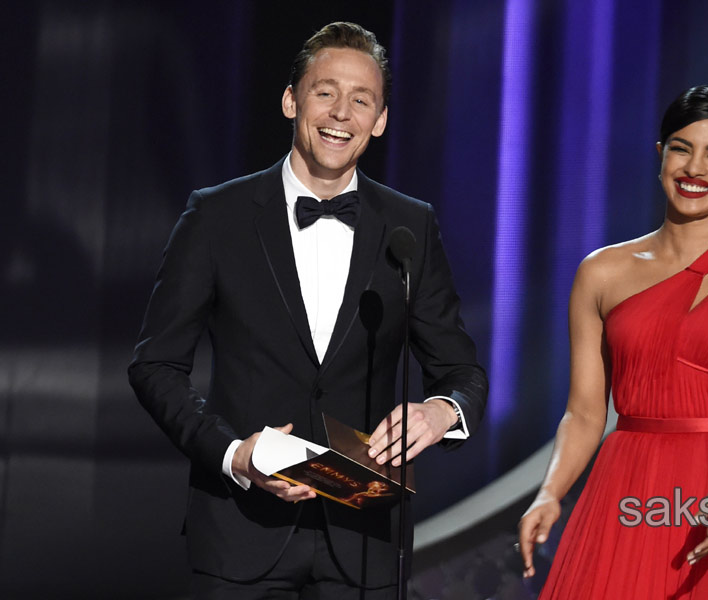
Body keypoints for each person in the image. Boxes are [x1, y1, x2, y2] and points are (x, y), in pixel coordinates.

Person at [128, 22, 487, 598]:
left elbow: (461, 370)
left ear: (382, 119)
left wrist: (443, 410)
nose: (342, 113)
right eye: (326, 92)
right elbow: (155, 365)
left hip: (366, 540)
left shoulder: (409, 225)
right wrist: (233, 455)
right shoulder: (216, 216)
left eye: (361, 99)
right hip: (240, 533)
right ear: (292, 99)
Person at [518, 85, 708, 598]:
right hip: (623, 491)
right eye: (682, 148)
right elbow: (586, 413)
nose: (695, 168)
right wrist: (550, 492)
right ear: (661, 155)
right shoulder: (602, 271)